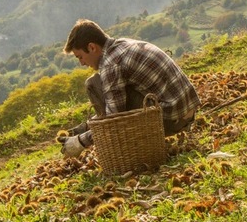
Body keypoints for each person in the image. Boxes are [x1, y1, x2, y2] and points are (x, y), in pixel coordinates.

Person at [59, 19, 199, 157]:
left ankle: (124, 151)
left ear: (92, 47)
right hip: (185, 112)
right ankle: (90, 130)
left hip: (170, 120)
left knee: (94, 85)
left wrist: (79, 142)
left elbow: (114, 119)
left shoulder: (111, 65)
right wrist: (84, 128)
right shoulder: (123, 44)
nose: (82, 63)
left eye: (80, 57)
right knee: (113, 93)